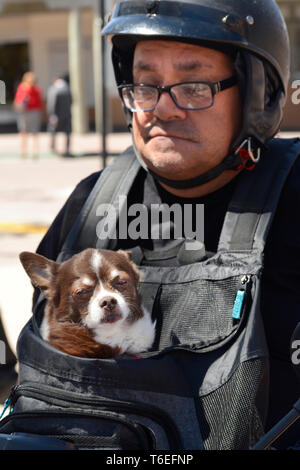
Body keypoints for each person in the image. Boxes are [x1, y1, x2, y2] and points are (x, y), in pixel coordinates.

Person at [32, 0, 299, 449]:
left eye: (194, 86)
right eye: (146, 85)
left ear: (258, 94)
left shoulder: (293, 201)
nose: (164, 109)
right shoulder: (92, 203)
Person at [13, 71, 43, 159]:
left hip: (33, 112)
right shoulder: (22, 88)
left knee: (34, 132)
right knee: (24, 132)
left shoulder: (37, 89)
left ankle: (34, 151)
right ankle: (24, 151)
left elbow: (38, 102)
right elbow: (18, 100)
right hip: (25, 112)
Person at [46, 74, 72, 157]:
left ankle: (53, 147)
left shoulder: (53, 89)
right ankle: (67, 149)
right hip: (67, 114)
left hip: (56, 114)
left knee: (53, 131)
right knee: (67, 132)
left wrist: (51, 114)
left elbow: (51, 103)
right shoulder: (67, 88)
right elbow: (72, 100)